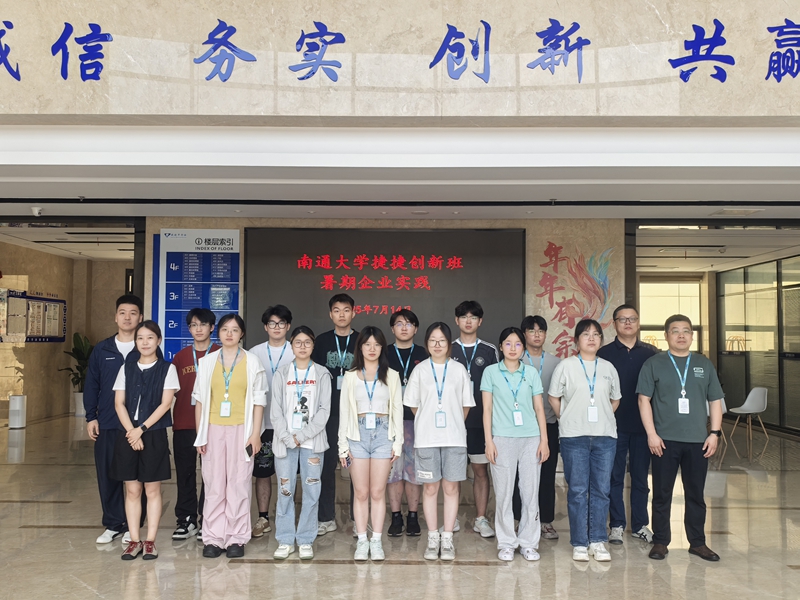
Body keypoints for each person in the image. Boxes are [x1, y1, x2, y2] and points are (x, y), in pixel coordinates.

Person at [638, 314, 723, 562]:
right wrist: (652, 435)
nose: (681, 335)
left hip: (698, 441)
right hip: (664, 441)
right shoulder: (654, 363)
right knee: (662, 494)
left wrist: (714, 433)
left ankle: (698, 543)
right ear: (666, 336)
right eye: (675, 331)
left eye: (686, 331)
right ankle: (661, 542)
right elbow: (643, 400)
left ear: (692, 336)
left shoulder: (703, 364)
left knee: (695, 494)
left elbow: (715, 401)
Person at [193, 314, 267, 559]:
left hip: (242, 430)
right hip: (213, 429)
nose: (229, 334)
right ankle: (213, 538)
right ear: (218, 332)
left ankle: (236, 537)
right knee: (214, 484)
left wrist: (255, 434)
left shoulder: (252, 362)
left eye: (234, 330)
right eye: (225, 329)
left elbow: (259, 401)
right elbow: (199, 400)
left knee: (239, 483)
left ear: (242, 334)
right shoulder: (207, 362)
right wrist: (200, 435)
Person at [548, 319, 621, 563]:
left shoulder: (608, 367)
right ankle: (580, 542)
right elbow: (553, 397)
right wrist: (567, 418)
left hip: (605, 437)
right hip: (574, 437)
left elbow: (615, 399)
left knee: (601, 490)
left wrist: (602, 416)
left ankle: (598, 540)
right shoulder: (566, 366)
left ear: (601, 339)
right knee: (578, 491)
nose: (591, 338)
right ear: (576, 340)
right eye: (586, 334)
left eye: (596, 334)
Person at [404, 322, 474, 561]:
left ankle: (448, 537)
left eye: (442, 340)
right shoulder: (420, 370)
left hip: (454, 438)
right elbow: (414, 405)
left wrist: (452, 423)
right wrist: (428, 423)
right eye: (433, 340)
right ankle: (433, 537)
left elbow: (465, 405)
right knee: (430, 488)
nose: (437, 345)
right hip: (426, 439)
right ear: (427, 343)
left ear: (448, 343)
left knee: (451, 488)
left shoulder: (459, 370)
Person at [111, 321, 179, 560]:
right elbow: (119, 403)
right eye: (140, 338)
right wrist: (132, 432)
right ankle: (134, 540)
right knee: (132, 489)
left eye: (150, 337)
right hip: (128, 433)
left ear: (158, 340)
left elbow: (165, 404)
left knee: (152, 489)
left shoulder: (167, 368)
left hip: (153, 434)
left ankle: (150, 541)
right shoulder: (126, 368)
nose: (145, 342)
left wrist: (141, 429)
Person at [481, 327, 549, 562]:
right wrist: (489, 441)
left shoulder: (530, 373)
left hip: (531, 439)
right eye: (508, 344)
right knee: (504, 493)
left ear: (523, 348)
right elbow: (487, 409)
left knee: (530, 493)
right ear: (501, 347)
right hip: (501, 438)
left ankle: (529, 543)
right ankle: (507, 543)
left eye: (518, 344)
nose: (512, 348)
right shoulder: (491, 372)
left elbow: (539, 408)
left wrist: (544, 440)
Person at [83, 294, 144, 545]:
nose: (127, 317)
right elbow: (91, 384)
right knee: (107, 475)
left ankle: (133, 524)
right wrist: (91, 416)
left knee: (136, 476)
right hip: (108, 422)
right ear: (115, 316)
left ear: (140, 317)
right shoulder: (103, 349)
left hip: (137, 425)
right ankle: (112, 523)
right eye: (122, 312)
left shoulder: (146, 346)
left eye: (133, 313)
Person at [339, 326, 404, 561]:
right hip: (356, 435)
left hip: (383, 434)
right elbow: (344, 412)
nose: (372, 349)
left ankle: (376, 540)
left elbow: (397, 409)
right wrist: (342, 445)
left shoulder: (392, 375)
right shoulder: (350, 376)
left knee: (377, 492)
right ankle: (361, 540)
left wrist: (398, 443)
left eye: (377, 344)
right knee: (361, 492)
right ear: (360, 348)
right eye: (367, 344)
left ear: (382, 348)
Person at [597, 304, 658, 545]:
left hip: (644, 427)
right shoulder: (604, 354)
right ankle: (617, 525)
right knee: (614, 477)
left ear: (638, 322)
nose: (628, 323)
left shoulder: (652, 354)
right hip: (613, 426)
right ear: (614, 324)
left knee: (641, 478)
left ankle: (640, 525)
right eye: (622, 319)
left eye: (632, 319)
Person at [271, 326, 331, 560]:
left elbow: (324, 411)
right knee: (285, 491)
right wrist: (288, 438)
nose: (303, 346)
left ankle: (306, 539)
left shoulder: (322, 374)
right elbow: (275, 410)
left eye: (307, 342)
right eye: (298, 342)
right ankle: (285, 539)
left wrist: (302, 436)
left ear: (313, 345)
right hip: (285, 442)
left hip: (312, 443)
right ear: (292, 345)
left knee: (312, 491)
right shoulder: (282, 373)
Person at [312, 293, 359, 536]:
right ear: (331, 314)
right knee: (326, 466)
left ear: (354, 312)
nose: (342, 314)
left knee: (357, 468)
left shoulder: (362, 341)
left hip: (355, 413)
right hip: (328, 414)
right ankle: (326, 517)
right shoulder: (321, 342)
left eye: (346, 310)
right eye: (337, 310)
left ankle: (358, 518)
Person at [170, 308, 219, 540]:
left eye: (203, 324)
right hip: (184, 423)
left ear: (212, 327)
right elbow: (171, 391)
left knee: (211, 475)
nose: (198, 329)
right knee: (185, 473)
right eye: (193, 325)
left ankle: (207, 519)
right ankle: (186, 519)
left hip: (214, 424)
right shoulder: (180, 358)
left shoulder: (220, 354)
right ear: (189, 329)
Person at [451, 300, 498, 538]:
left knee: (480, 471)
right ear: (456, 320)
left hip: (480, 423)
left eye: (473, 317)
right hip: (454, 424)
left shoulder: (489, 351)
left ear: (480, 321)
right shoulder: (448, 348)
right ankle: (451, 518)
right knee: (453, 473)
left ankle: (481, 519)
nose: (468, 321)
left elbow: (498, 387)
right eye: (464, 317)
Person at [248, 304, 295, 539]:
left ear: (288, 326)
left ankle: (288, 517)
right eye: (272, 323)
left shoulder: (296, 350)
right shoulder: (253, 353)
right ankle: (263, 518)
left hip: (290, 426)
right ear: (265, 327)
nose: (277, 327)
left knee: (290, 473)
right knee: (262, 472)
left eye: (281, 323)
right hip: (263, 425)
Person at [519, 315, 562, 540]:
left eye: (540, 331)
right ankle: (520, 519)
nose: (536, 335)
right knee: (520, 476)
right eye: (531, 330)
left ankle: (545, 521)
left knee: (546, 475)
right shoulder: (515, 359)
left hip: (549, 425)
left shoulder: (557, 363)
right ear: (524, 334)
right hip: (522, 427)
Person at [386, 309, 427, 537]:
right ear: (392, 329)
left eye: (409, 323)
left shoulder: (424, 353)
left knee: (413, 470)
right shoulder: (383, 353)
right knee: (393, 471)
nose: (404, 327)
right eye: (399, 324)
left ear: (416, 329)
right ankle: (395, 516)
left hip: (417, 421)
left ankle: (412, 515)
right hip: (389, 422)